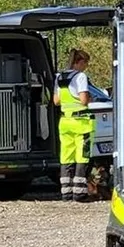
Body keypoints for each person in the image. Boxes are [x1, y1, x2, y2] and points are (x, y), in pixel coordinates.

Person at [53, 49, 94, 202]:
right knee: (82, 156)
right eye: (86, 63)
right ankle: (79, 193)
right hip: (81, 122)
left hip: (65, 122)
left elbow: (56, 101)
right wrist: (91, 98)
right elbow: (83, 100)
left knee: (66, 156)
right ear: (79, 62)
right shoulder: (80, 77)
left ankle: (66, 192)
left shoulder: (60, 77)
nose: (86, 67)